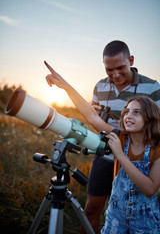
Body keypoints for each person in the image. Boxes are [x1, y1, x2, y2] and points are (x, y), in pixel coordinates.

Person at [44, 60, 160, 233]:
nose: (128, 115)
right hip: (116, 221)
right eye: (126, 111)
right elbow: (93, 118)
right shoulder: (119, 137)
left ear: (150, 118)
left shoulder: (157, 148)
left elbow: (150, 189)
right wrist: (65, 86)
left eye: (136, 112)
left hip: (144, 224)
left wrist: (120, 156)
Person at [82, 40, 160, 233]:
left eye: (120, 68)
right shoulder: (100, 87)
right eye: (109, 70)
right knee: (92, 208)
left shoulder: (152, 87)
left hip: (139, 157)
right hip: (105, 154)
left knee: (134, 209)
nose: (115, 75)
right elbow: (94, 118)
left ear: (131, 60)